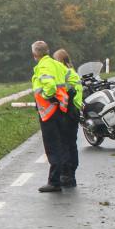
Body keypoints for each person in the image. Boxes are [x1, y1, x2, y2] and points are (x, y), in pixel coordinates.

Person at [30, 40, 70, 192]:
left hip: (49, 110)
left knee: (52, 147)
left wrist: (49, 97)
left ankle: (54, 182)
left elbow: (50, 86)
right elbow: (70, 78)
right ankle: (65, 176)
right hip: (61, 109)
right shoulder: (56, 64)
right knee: (62, 143)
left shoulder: (43, 66)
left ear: (35, 54)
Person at [53, 48, 83, 188]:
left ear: (59, 61)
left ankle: (66, 175)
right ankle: (71, 173)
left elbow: (62, 93)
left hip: (67, 112)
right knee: (72, 143)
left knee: (64, 144)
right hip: (75, 112)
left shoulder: (64, 74)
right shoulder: (74, 73)